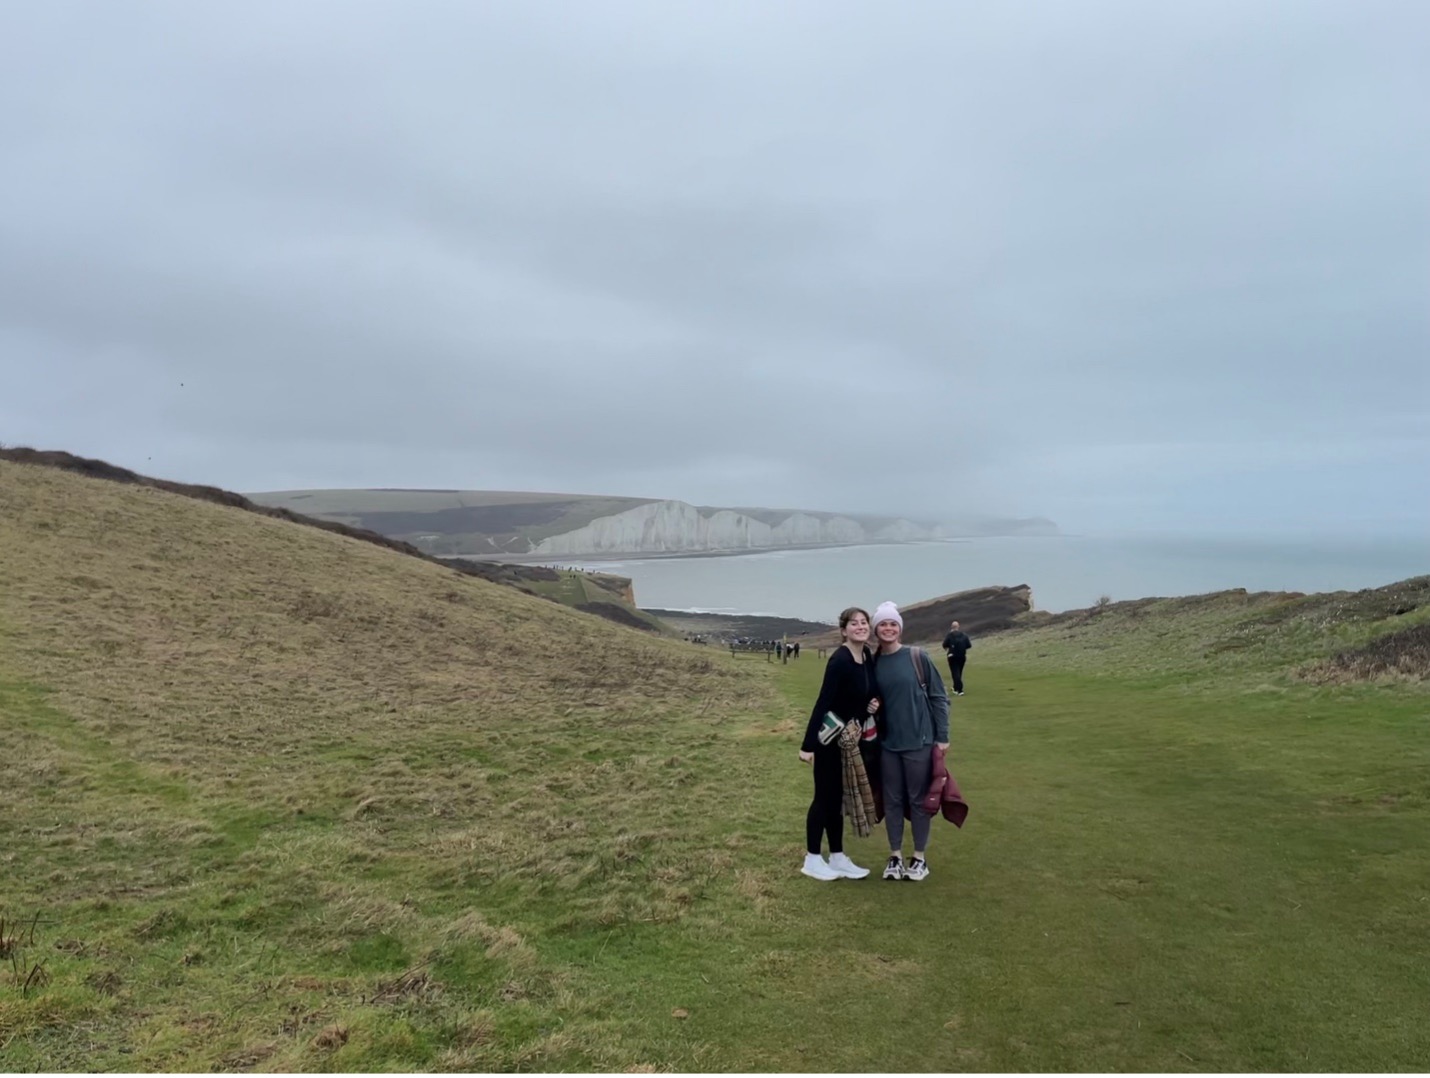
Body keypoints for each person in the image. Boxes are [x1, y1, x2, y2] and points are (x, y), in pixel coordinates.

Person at [798, 607, 881, 881]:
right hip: (828, 741)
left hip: (848, 740)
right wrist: (808, 745)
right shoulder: (840, 661)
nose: (860, 626)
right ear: (843, 630)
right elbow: (824, 702)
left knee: (836, 800)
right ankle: (812, 859)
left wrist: (871, 706)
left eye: (864, 622)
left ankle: (837, 857)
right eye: (853, 623)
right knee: (824, 798)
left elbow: (862, 694)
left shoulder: (866, 654)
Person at [870, 601, 949, 882]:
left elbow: (939, 698)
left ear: (899, 629)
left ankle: (919, 858)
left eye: (893, 624)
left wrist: (942, 737)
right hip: (888, 744)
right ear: (876, 630)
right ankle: (895, 856)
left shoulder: (917, 656)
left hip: (920, 742)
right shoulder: (873, 662)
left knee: (918, 801)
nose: (888, 628)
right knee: (892, 801)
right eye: (883, 624)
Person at [941, 620, 972, 696]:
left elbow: (944, 644)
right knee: (959, 672)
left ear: (952, 627)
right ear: (958, 627)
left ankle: (960, 690)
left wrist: (949, 647)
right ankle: (955, 688)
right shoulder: (964, 635)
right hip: (962, 656)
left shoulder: (950, 635)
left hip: (952, 656)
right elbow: (969, 645)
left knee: (955, 673)